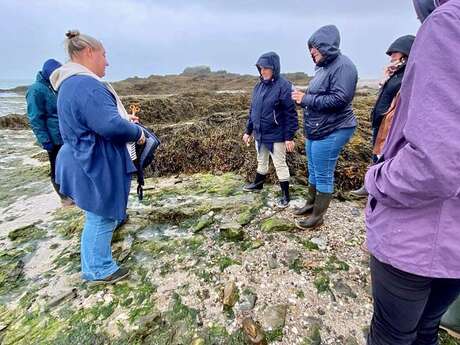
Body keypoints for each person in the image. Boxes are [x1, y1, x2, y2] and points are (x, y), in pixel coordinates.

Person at [365, 0, 460, 343]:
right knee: (426, 328)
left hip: (416, 237)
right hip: (451, 245)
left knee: (392, 334)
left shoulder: (447, 21)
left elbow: (436, 164)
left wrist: (376, 177)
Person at [50, 30, 145, 284]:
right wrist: (136, 132)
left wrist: (122, 120)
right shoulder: (86, 85)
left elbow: (96, 120)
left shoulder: (69, 83)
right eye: (104, 54)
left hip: (79, 156)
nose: (107, 61)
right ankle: (98, 269)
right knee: (100, 213)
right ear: (89, 52)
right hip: (93, 160)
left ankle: (96, 260)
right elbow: (109, 126)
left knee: (99, 212)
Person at [291, 25, 357, 229]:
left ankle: (318, 216)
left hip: (335, 128)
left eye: (314, 48)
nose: (311, 52)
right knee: (312, 168)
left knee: (322, 172)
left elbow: (340, 99)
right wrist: (302, 97)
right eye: (310, 49)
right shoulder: (323, 67)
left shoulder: (344, 66)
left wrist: (306, 98)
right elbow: (320, 95)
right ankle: (311, 204)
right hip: (317, 127)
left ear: (326, 47)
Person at [351, 35, 415, 198]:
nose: (391, 57)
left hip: (391, 124)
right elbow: (384, 95)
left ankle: (381, 189)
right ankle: (369, 185)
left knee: (385, 156)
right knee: (375, 154)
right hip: (379, 121)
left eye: (395, 53)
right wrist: (384, 79)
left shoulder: (408, 74)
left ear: (405, 54)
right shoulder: (395, 73)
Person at [243, 52, 298, 208]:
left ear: (274, 68)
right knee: (261, 160)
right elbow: (253, 111)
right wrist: (248, 131)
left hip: (276, 135)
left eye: (266, 68)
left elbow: (290, 114)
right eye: (261, 68)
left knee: (280, 164)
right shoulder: (258, 87)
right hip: (260, 134)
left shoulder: (284, 86)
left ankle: (286, 195)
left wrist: (289, 137)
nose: (263, 72)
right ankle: (258, 184)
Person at [26, 59, 72, 205]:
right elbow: (35, 118)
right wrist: (45, 140)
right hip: (53, 138)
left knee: (69, 167)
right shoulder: (36, 90)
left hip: (66, 136)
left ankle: (73, 194)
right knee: (57, 168)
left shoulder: (56, 87)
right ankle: (65, 200)